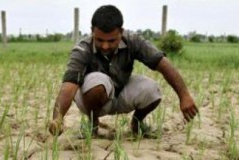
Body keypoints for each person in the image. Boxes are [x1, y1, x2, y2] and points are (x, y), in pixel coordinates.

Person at [48, 5, 199, 138]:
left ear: (121, 32)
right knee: (98, 82)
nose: (105, 46)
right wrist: (58, 118)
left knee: (153, 90)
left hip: (120, 92)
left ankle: (137, 124)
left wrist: (184, 96)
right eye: (100, 40)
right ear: (92, 31)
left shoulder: (133, 41)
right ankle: (92, 124)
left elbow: (163, 64)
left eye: (111, 41)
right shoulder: (82, 48)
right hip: (91, 97)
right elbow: (69, 86)